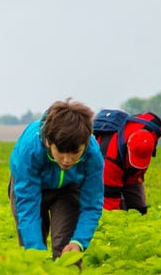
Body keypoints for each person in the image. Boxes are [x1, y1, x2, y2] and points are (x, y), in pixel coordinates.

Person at [8, 99, 104, 264]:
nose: (67, 160)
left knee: (67, 252)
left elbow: (91, 204)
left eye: (75, 152)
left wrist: (79, 241)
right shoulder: (30, 149)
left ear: (85, 144)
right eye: (61, 152)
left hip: (68, 187)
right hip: (30, 185)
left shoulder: (92, 155)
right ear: (48, 142)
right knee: (32, 250)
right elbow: (27, 206)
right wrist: (35, 252)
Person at [97, 110, 161, 213]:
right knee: (113, 206)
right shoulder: (110, 159)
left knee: (140, 210)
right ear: (128, 149)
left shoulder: (154, 127)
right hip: (110, 172)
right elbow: (109, 202)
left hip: (132, 175)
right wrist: (116, 222)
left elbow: (152, 119)